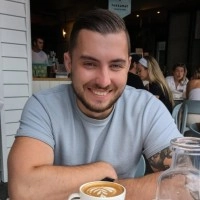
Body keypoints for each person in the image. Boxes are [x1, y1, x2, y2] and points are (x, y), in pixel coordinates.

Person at [8, 9, 182, 200]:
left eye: (116, 65)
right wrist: (101, 170)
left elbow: (185, 181)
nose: (104, 81)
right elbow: (23, 189)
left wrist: (108, 189)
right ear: (69, 62)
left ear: (128, 66)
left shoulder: (146, 108)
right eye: (90, 64)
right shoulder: (43, 107)